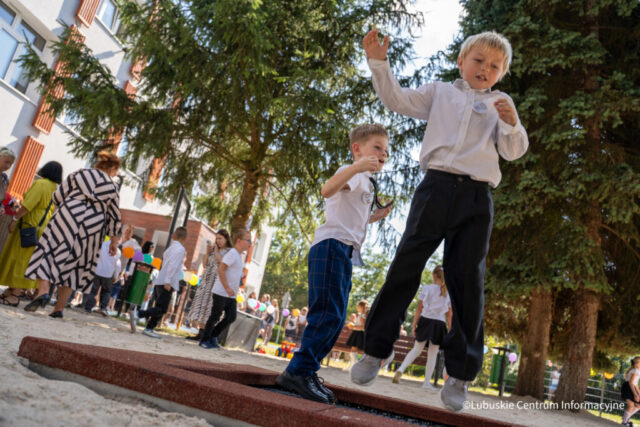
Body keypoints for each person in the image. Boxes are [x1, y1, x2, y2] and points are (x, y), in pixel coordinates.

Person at [351, 30, 529, 412]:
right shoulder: (440, 93)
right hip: (435, 188)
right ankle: (375, 350)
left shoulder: (501, 103)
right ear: (461, 62)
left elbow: (513, 151)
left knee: (467, 283)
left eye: (494, 66)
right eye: (478, 60)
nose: (485, 69)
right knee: (405, 265)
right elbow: (397, 99)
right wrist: (379, 62)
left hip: (476, 198)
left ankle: (459, 374)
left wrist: (513, 123)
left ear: (501, 73)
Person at [275, 123, 392, 404]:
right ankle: (298, 371)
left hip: (345, 251)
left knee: (337, 316)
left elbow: (353, 217)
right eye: (377, 148)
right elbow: (327, 190)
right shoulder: (351, 171)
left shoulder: (365, 181)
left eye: (386, 151)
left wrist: (376, 216)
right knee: (327, 313)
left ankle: (307, 370)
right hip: (331, 246)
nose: (383, 155)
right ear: (357, 149)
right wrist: (357, 167)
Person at [23, 152, 121, 318]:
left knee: (48, 251)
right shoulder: (113, 186)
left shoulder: (79, 173)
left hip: (68, 214)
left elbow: (58, 196)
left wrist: (66, 207)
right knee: (77, 265)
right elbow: (115, 215)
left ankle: (44, 292)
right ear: (112, 168)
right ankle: (58, 309)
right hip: (93, 224)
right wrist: (114, 241)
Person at [0, 161, 62, 307]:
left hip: (30, 224)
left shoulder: (41, 184)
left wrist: (15, 219)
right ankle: (10, 291)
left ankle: (15, 295)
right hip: (42, 226)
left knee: (19, 260)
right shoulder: (55, 188)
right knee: (27, 261)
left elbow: (28, 205)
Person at [392, 266, 452, 390]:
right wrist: (451, 329)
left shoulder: (427, 288)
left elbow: (419, 308)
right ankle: (426, 383)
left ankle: (401, 369)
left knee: (416, 349)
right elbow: (449, 314)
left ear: (434, 275)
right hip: (439, 324)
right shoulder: (448, 293)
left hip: (425, 321)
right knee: (432, 354)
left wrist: (414, 325)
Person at [199, 229, 252, 349]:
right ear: (239, 241)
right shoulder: (232, 253)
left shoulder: (238, 256)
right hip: (221, 292)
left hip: (230, 294)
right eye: (248, 240)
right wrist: (227, 287)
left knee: (231, 316)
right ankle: (204, 340)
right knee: (215, 316)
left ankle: (213, 335)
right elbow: (221, 269)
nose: (250, 243)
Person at [131, 227, 187, 337]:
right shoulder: (180, 249)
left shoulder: (170, 248)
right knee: (162, 308)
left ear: (174, 236)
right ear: (184, 238)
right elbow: (173, 265)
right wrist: (168, 281)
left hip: (161, 280)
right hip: (167, 282)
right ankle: (138, 314)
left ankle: (149, 328)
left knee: (159, 307)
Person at [186, 230, 232, 340]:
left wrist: (216, 253)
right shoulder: (214, 250)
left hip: (217, 282)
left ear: (226, 239)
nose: (218, 241)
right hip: (206, 280)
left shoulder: (229, 252)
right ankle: (201, 332)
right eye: (217, 239)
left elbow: (225, 264)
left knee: (210, 307)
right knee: (202, 305)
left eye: (220, 238)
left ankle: (207, 334)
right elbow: (205, 264)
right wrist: (207, 253)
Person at [84, 235, 122, 316]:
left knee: (93, 290)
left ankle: (88, 308)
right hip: (108, 274)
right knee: (106, 292)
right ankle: (102, 308)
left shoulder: (102, 244)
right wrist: (116, 276)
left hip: (97, 271)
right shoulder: (118, 251)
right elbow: (118, 265)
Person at [0, 146, 17, 254]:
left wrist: (2, 206)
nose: (8, 166)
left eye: (11, 164)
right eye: (6, 162)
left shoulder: (5, 178)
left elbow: (3, 197)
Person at [345, 300, 368, 369]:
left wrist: (353, 326)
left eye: (358, 306)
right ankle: (353, 364)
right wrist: (353, 324)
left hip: (359, 334)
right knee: (353, 350)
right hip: (357, 333)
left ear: (361, 307)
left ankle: (354, 365)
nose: (357, 307)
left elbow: (363, 327)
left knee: (354, 350)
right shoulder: (361, 315)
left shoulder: (362, 316)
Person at [621, 357, 640, 427]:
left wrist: (639, 393)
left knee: (638, 405)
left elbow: (636, 383)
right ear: (638, 363)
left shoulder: (637, 371)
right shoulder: (635, 371)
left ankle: (626, 417)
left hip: (631, 387)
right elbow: (631, 383)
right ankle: (625, 422)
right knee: (631, 405)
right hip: (628, 388)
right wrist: (635, 394)